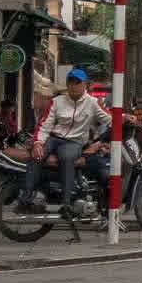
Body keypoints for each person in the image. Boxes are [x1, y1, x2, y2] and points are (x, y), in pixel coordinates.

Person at [37, 67, 109, 207]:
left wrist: (124, 118)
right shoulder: (57, 101)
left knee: (67, 157)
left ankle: (66, 202)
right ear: (67, 84)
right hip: (54, 138)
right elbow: (45, 125)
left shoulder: (93, 102)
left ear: (85, 85)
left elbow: (109, 117)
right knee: (37, 155)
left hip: (73, 142)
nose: (74, 86)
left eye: (78, 82)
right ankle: (26, 198)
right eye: (71, 82)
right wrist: (38, 143)